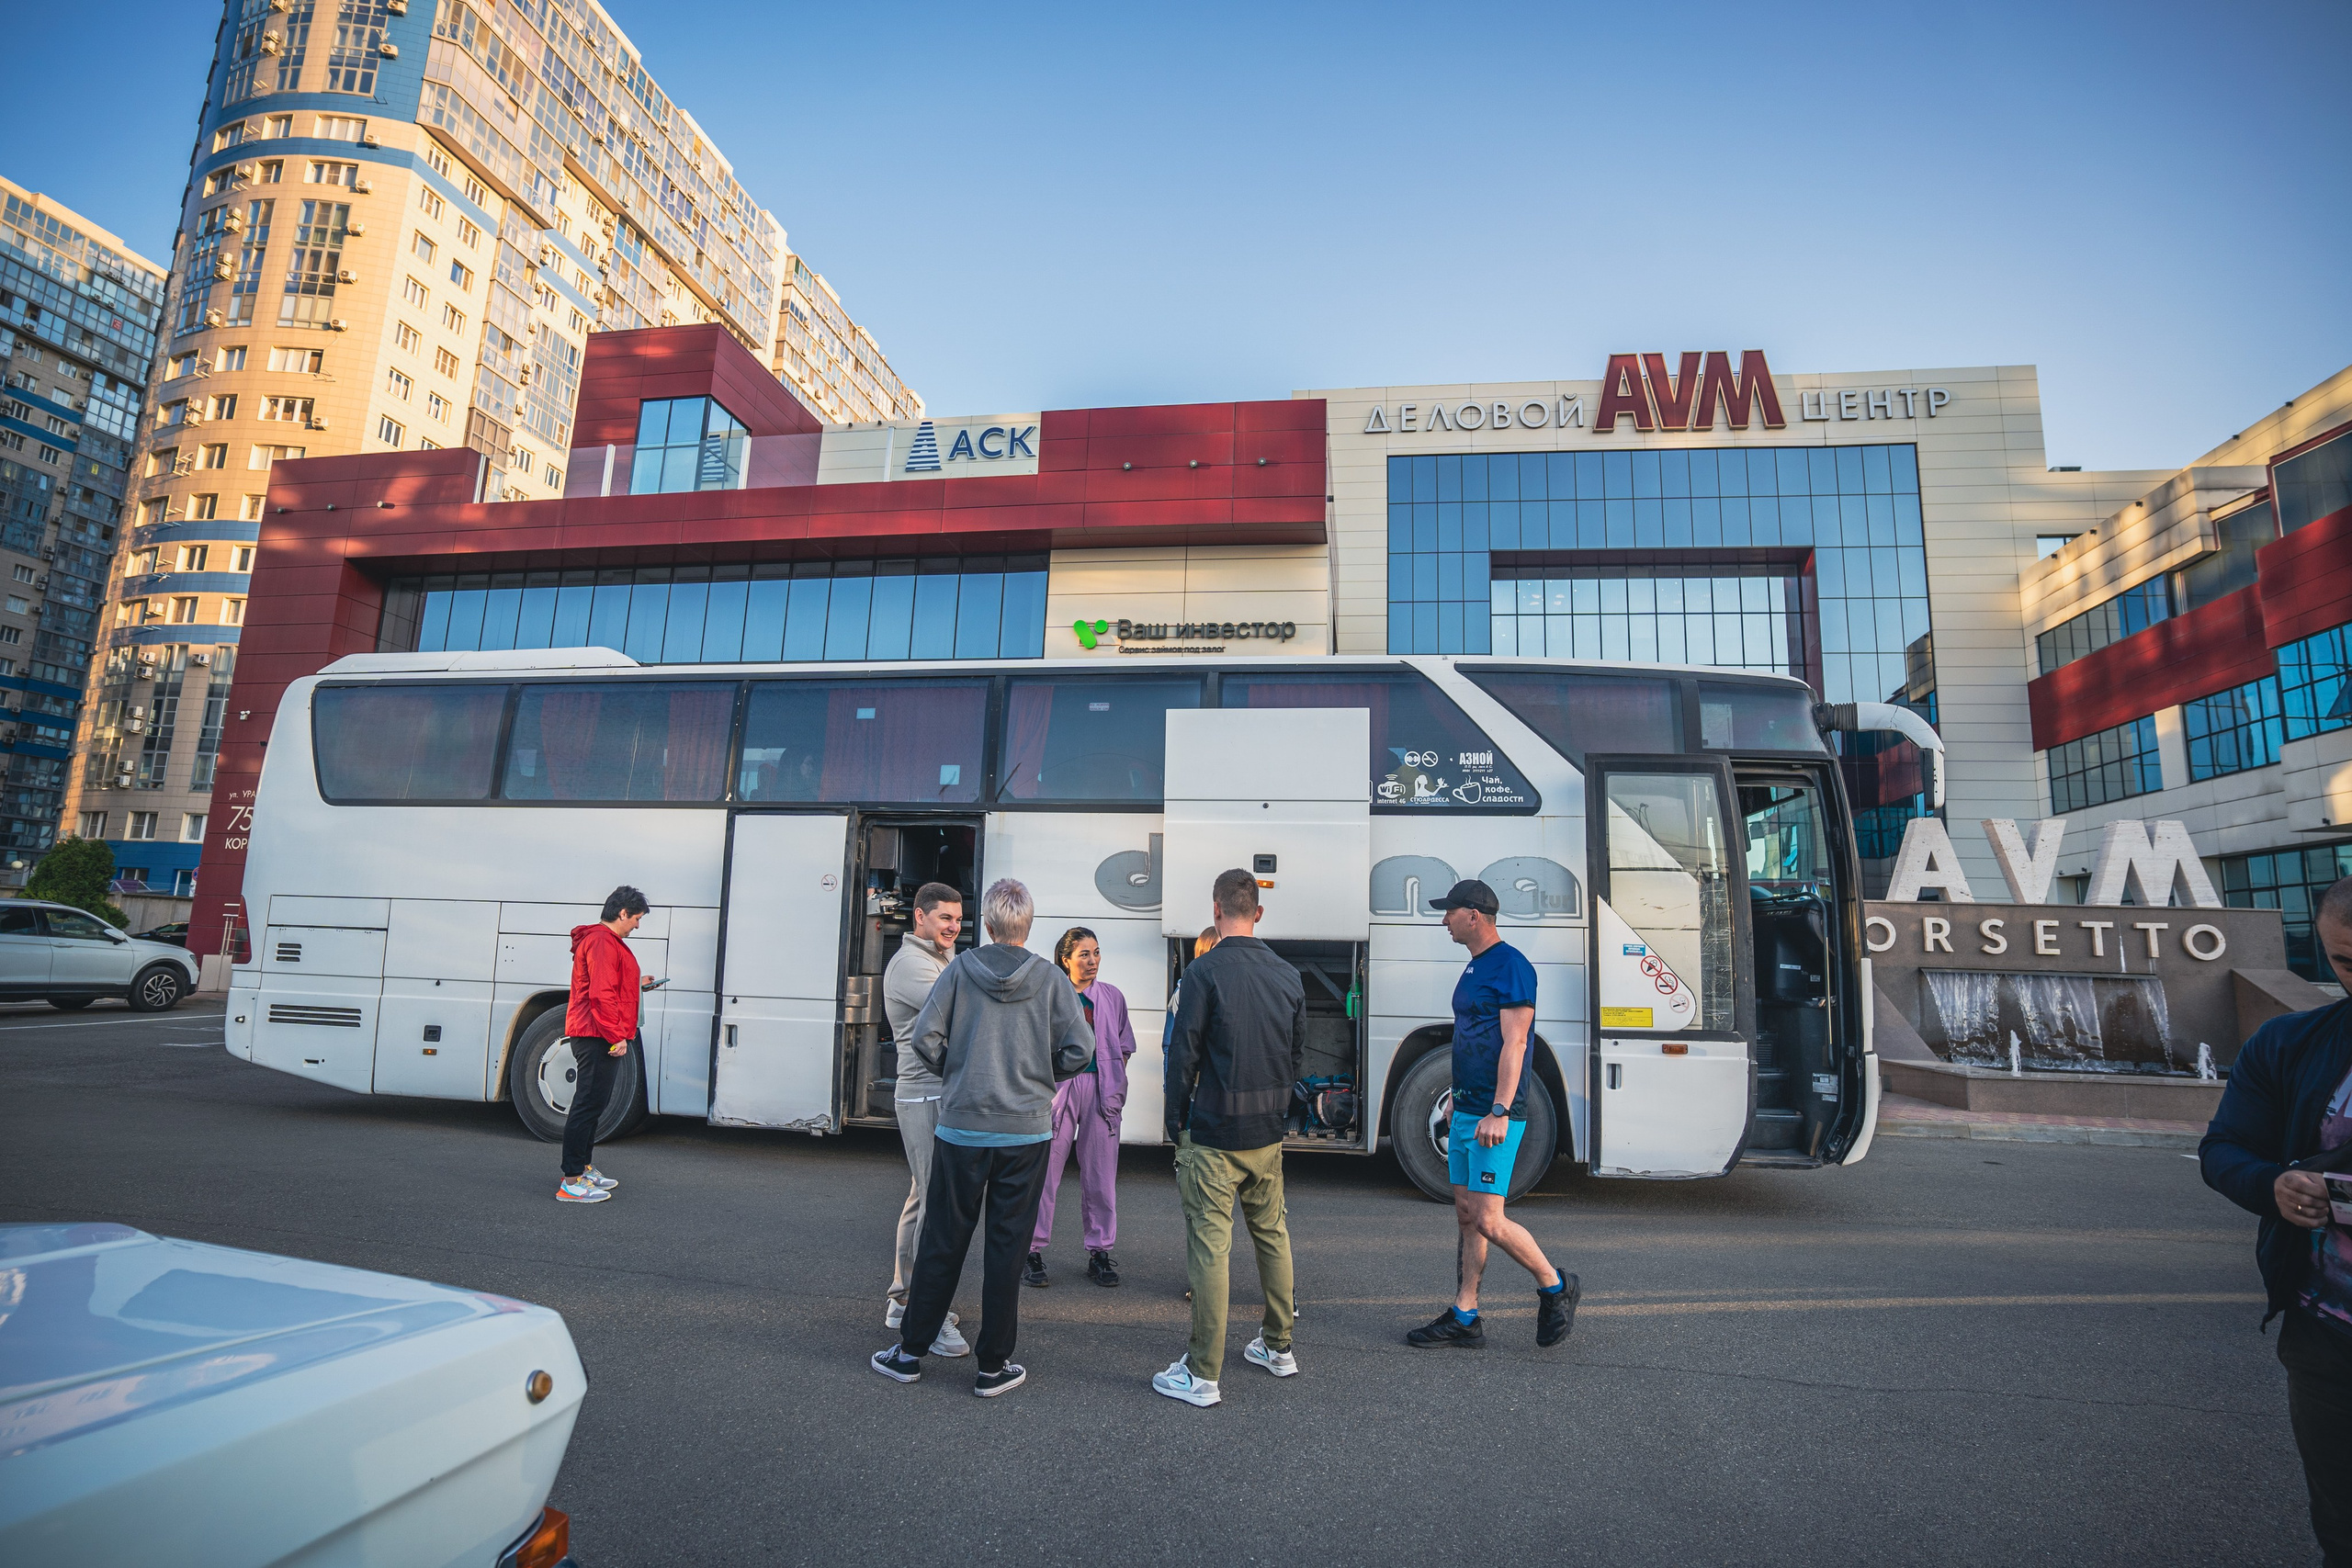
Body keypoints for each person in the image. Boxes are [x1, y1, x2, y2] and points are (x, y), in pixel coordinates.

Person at [871, 878, 1093, 1398]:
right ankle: (993, 1366)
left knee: (944, 1238)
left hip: (962, 1127)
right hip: (1026, 1132)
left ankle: (909, 1354)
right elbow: (1080, 1048)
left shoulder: (959, 972)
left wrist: (959, 1073)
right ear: (1028, 926)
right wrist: (1042, 1078)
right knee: (1008, 1247)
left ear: (987, 926)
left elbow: (925, 1037)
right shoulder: (1050, 979)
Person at [2200, 875, 2352, 1566]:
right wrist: (2276, 1184)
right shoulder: (2291, 1043)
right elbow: (2224, 1149)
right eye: (2346, 962)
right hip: (2327, 1337)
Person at [1406, 878, 1577, 1349]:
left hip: (1496, 1113)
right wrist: (1460, 1094)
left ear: (1474, 915)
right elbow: (1471, 1037)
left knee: (1489, 1219)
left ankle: (1556, 1287)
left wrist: (1500, 1110)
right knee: (1465, 1213)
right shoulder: (1474, 967)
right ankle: (1465, 1315)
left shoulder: (1512, 967)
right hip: (1468, 1108)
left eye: (1450, 912)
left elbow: (1516, 1042)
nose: (1444, 920)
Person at [1154, 869, 1304, 1408]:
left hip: (1213, 1134)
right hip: (1267, 1134)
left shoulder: (1203, 972)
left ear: (1216, 908)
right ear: (1257, 911)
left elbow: (1183, 1056)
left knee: (1211, 1249)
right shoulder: (1288, 974)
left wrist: (1175, 1123)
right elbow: (1295, 1056)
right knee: (1272, 1235)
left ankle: (1202, 1374)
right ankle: (1278, 1347)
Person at [880, 881, 969, 1358]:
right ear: (919, 917)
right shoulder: (912, 965)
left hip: (940, 1092)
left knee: (923, 1195)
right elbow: (963, 1010)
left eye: (957, 919)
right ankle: (925, 1313)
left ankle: (903, 1298)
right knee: (936, 1201)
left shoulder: (943, 960)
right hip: (924, 1095)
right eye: (944, 919)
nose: (953, 927)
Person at [1025, 927, 1136, 1289]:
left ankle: (1100, 1253)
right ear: (1066, 959)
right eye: (1084, 955)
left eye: (1096, 953)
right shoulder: (1049, 995)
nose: (1092, 961)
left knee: (1101, 1177)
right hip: (1057, 1091)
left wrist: (1111, 1078)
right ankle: (1031, 1251)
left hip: (1101, 1093)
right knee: (1043, 1176)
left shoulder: (1113, 997)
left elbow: (1123, 1046)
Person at [557, 886, 661, 1204]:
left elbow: (609, 985)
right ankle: (570, 1182)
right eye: (637, 918)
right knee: (588, 1106)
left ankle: (583, 1168)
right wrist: (616, 1036)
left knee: (593, 1106)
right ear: (622, 913)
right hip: (596, 1035)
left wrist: (637, 985)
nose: (637, 926)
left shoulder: (605, 942)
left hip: (597, 1032)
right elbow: (600, 995)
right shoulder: (602, 942)